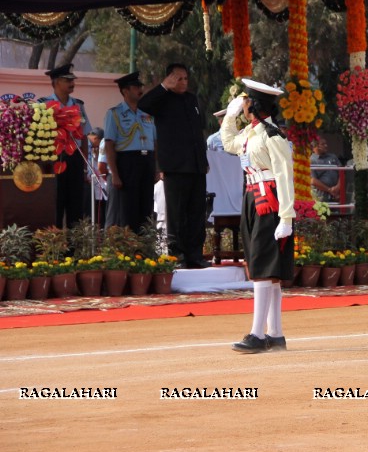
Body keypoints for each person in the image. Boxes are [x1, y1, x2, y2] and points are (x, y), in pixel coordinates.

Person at [221, 79, 295, 353]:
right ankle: (275, 334)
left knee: (263, 269)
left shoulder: (273, 136)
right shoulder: (251, 133)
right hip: (252, 197)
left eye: (245, 102)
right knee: (265, 270)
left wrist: (286, 217)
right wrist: (229, 117)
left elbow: (285, 177)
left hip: (270, 202)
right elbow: (228, 143)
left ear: (253, 105)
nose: (243, 106)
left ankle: (257, 334)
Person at [138, 63, 210, 269]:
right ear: (169, 78)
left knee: (196, 212)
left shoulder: (191, 99)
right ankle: (176, 255)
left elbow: (198, 132)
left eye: (186, 78)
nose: (183, 82)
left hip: (196, 165)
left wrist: (203, 161)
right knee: (176, 213)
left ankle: (195, 255)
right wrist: (162, 87)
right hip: (175, 166)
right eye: (178, 78)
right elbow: (144, 105)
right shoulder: (162, 99)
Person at [103, 72, 157, 233]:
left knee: (146, 205)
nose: (140, 89)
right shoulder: (114, 113)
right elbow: (109, 145)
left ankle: (145, 247)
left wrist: (156, 168)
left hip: (146, 160)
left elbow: (155, 142)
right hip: (127, 162)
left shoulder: (147, 113)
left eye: (140, 86)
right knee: (127, 208)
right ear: (125, 91)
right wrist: (115, 174)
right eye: (136, 87)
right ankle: (129, 248)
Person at [42, 63, 91, 228]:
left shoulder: (78, 105)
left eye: (72, 80)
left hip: (75, 158)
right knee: (54, 203)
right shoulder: (43, 104)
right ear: (56, 82)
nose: (72, 83)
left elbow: (84, 136)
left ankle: (74, 250)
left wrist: (85, 166)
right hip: (52, 158)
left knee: (75, 205)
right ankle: (53, 248)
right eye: (67, 80)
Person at [86, 128, 108, 226]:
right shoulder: (87, 145)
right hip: (92, 189)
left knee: (102, 214)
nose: (97, 147)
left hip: (102, 190)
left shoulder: (96, 151)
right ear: (96, 138)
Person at [310, 137, 342, 203]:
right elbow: (313, 180)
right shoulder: (311, 160)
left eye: (326, 143)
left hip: (337, 195)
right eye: (323, 144)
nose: (326, 146)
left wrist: (338, 187)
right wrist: (329, 190)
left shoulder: (333, 157)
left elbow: (342, 172)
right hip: (321, 197)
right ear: (316, 146)